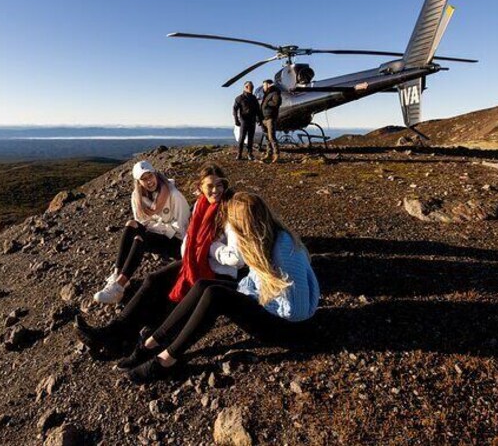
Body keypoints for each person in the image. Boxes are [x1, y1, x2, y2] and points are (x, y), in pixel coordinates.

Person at [122, 192, 320, 383]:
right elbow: (255, 279)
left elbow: (297, 310)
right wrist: (246, 294)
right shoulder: (265, 238)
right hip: (272, 305)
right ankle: (151, 343)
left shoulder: (282, 248)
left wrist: (256, 301)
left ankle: (166, 360)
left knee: (215, 296)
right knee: (203, 286)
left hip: (288, 327)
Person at [75, 165, 242, 350]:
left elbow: (237, 258)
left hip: (217, 270)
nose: (215, 190)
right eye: (209, 186)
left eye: (219, 185)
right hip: (193, 260)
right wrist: (193, 248)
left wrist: (207, 247)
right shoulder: (201, 206)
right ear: (200, 187)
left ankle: (135, 338)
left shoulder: (231, 210)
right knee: (152, 280)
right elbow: (189, 237)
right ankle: (111, 332)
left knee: (169, 297)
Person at [93, 160, 190, 304]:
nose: (149, 181)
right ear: (138, 182)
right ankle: (117, 274)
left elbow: (182, 229)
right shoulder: (137, 197)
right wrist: (152, 228)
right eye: (143, 179)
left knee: (140, 238)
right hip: (158, 233)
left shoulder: (174, 195)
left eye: (150, 175)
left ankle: (118, 288)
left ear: (155, 174)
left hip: (178, 242)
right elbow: (140, 221)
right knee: (131, 225)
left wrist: (154, 228)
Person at [232, 81, 261, 161]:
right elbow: (234, 110)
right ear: (246, 87)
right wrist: (236, 120)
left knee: (251, 138)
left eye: (252, 87)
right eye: (250, 87)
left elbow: (258, 110)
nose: (251, 89)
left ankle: (249, 154)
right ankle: (239, 154)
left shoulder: (254, 98)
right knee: (242, 138)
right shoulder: (239, 98)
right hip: (244, 121)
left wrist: (260, 119)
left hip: (252, 121)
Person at [260, 79, 282, 163]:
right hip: (264, 119)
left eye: (264, 85)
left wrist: (267, 104)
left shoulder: (275, 93)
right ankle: (269, 154)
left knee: (271, 137)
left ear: (268, 85)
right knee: (267, 137)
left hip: (270, 118)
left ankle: (276, 154)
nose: (263, 87)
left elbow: (277, 103)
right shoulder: (267, 94)